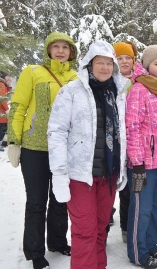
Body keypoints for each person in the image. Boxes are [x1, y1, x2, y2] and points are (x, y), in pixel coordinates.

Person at [47, 40, 128, 269]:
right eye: (99, 63)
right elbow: (56, 132)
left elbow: (123, 132)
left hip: (108, 175)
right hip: (80, 176)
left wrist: (122, 167)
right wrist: (59, 174)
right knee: (84, 232)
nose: (104, 68)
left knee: (101, 228)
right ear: (89, 65)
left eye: (108, 63)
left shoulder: (117, 93)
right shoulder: (71, 91)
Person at [6, 32, 77, 269]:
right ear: (48, 49)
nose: (59, 51)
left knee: (59, 199)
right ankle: (35, 251)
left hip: (64, 149)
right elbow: (18, 106)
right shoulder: (32, 72)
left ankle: (57, 241)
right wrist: (15, 141)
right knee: (36, 201)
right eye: (55, 46)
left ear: (71, 52)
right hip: (34, 148)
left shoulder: (75, 77)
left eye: (64, 47)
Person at [125, 45, 157, 269]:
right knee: (141, 210)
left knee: (156, 208)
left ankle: (151, 245)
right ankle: (138, 253)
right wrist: (136, 162)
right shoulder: (139, 90)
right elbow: (132, 127)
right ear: (147, 65)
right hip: (142, 165)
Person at [112, 41, 139, 243]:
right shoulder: (108, 80)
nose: (124, 61)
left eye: (127, 57)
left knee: (129, 191)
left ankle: (126, 228)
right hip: (111, 142)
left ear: (133, 59)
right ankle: (101, 230)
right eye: (119, 58)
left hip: (132, 142)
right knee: (107, 190)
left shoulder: (140, 81)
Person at [0, 71, 12, 151]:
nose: (9, 78)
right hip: (2, 112)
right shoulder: (1, 84)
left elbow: (7, 94)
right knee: (3, 127)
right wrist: (7, 109)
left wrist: (9, 86)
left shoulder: (3, 84)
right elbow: (2, 98)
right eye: (7, 77)